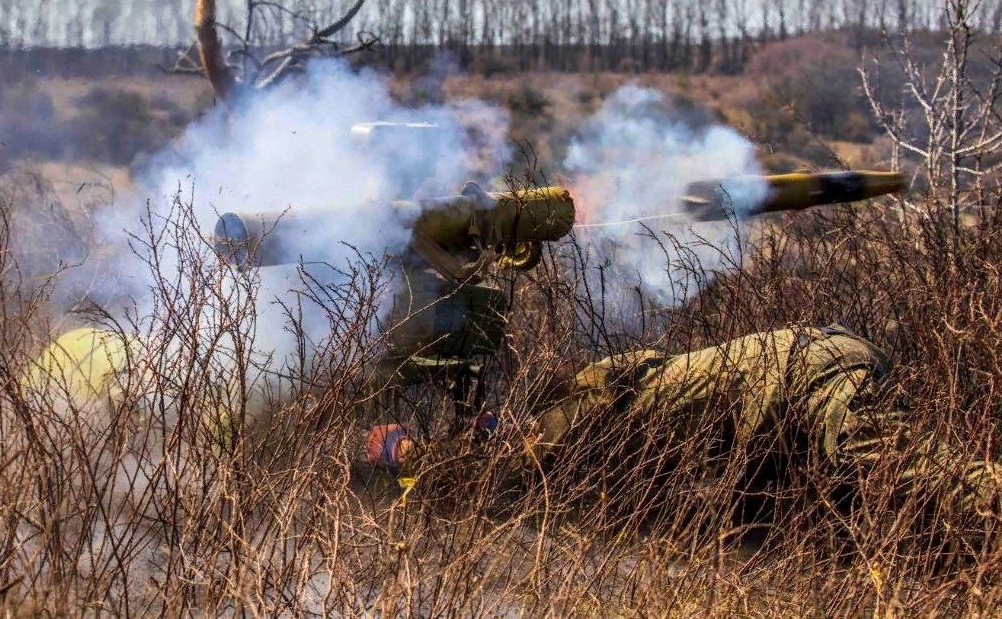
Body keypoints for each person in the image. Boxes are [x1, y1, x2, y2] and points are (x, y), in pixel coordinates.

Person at [367, 324, 1002, 553]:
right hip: (820, 361)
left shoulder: (593, 401)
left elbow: (516, 464)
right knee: (881, 491)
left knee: (921, 471)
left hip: (807, 378)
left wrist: (413, 455)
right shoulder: (630, 377)